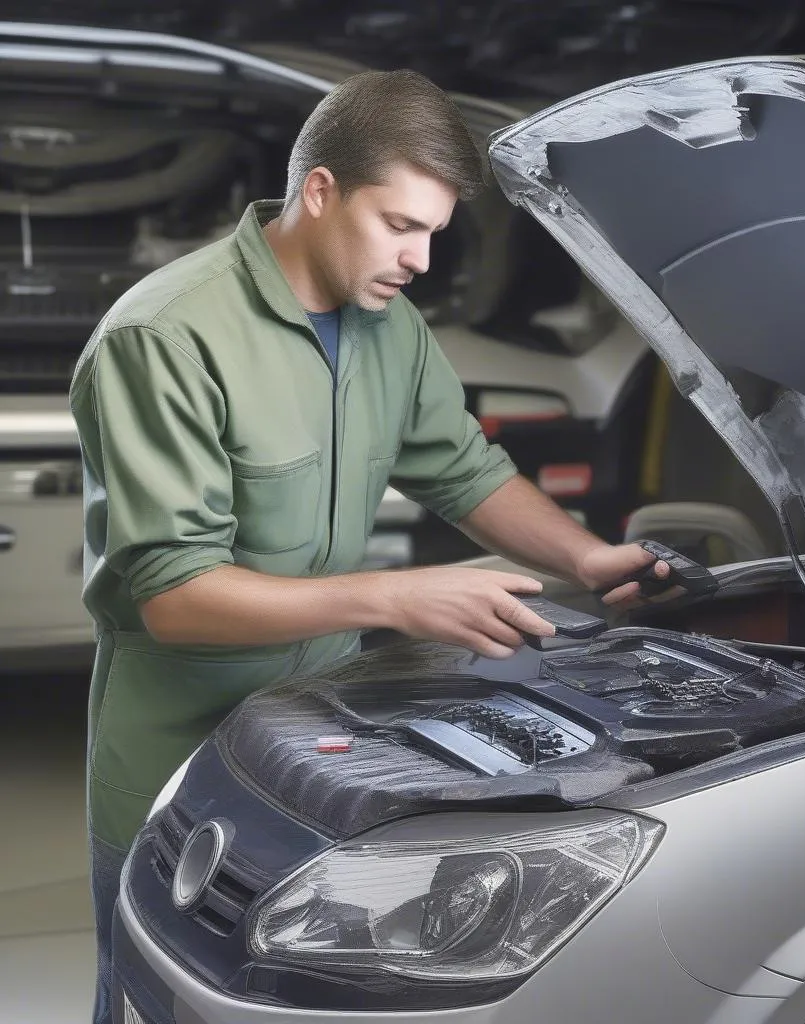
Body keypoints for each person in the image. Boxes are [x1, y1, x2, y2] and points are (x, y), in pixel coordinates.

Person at [70, 68, 669, 1024]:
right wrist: (396, 597)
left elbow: (466, 472)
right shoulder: (166, 337)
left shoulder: (389, 327)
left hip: (328, 755)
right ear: (320, 193)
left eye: (435, 231)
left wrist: (589, 559)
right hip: (178, 772)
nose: (423, 259)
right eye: (401, 226)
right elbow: (173, 594)